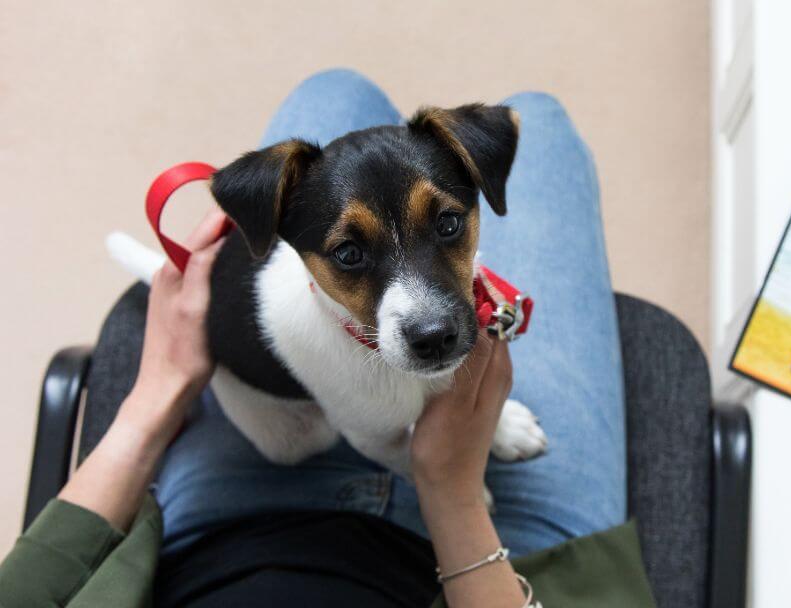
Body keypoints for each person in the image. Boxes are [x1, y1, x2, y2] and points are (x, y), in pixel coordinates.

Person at [0, 70, 655, 607]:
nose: (427, 316)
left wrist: (156, 397)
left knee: (335, 87)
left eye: (447, 225)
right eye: (349, 254)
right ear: (287, 240)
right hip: (303, 446)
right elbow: (375, 437)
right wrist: (453, 483)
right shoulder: (304, 299)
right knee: (542, 114)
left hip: (214, 543)